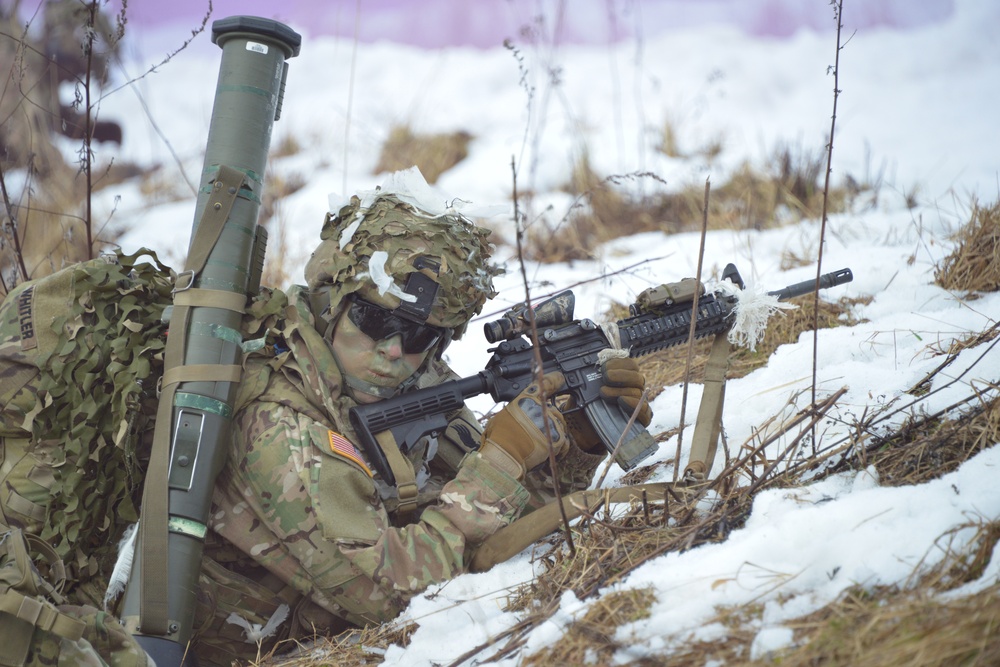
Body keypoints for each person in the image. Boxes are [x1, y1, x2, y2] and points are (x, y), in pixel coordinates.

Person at [0, 169, 651, 665]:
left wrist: (579, 439)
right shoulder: (277, 419)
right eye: (375, 320)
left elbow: (488, 525)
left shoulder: (390, 379)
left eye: (422, 335)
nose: (395, 350)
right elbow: (397, 589)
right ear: (332, 298)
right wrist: (504, 454)